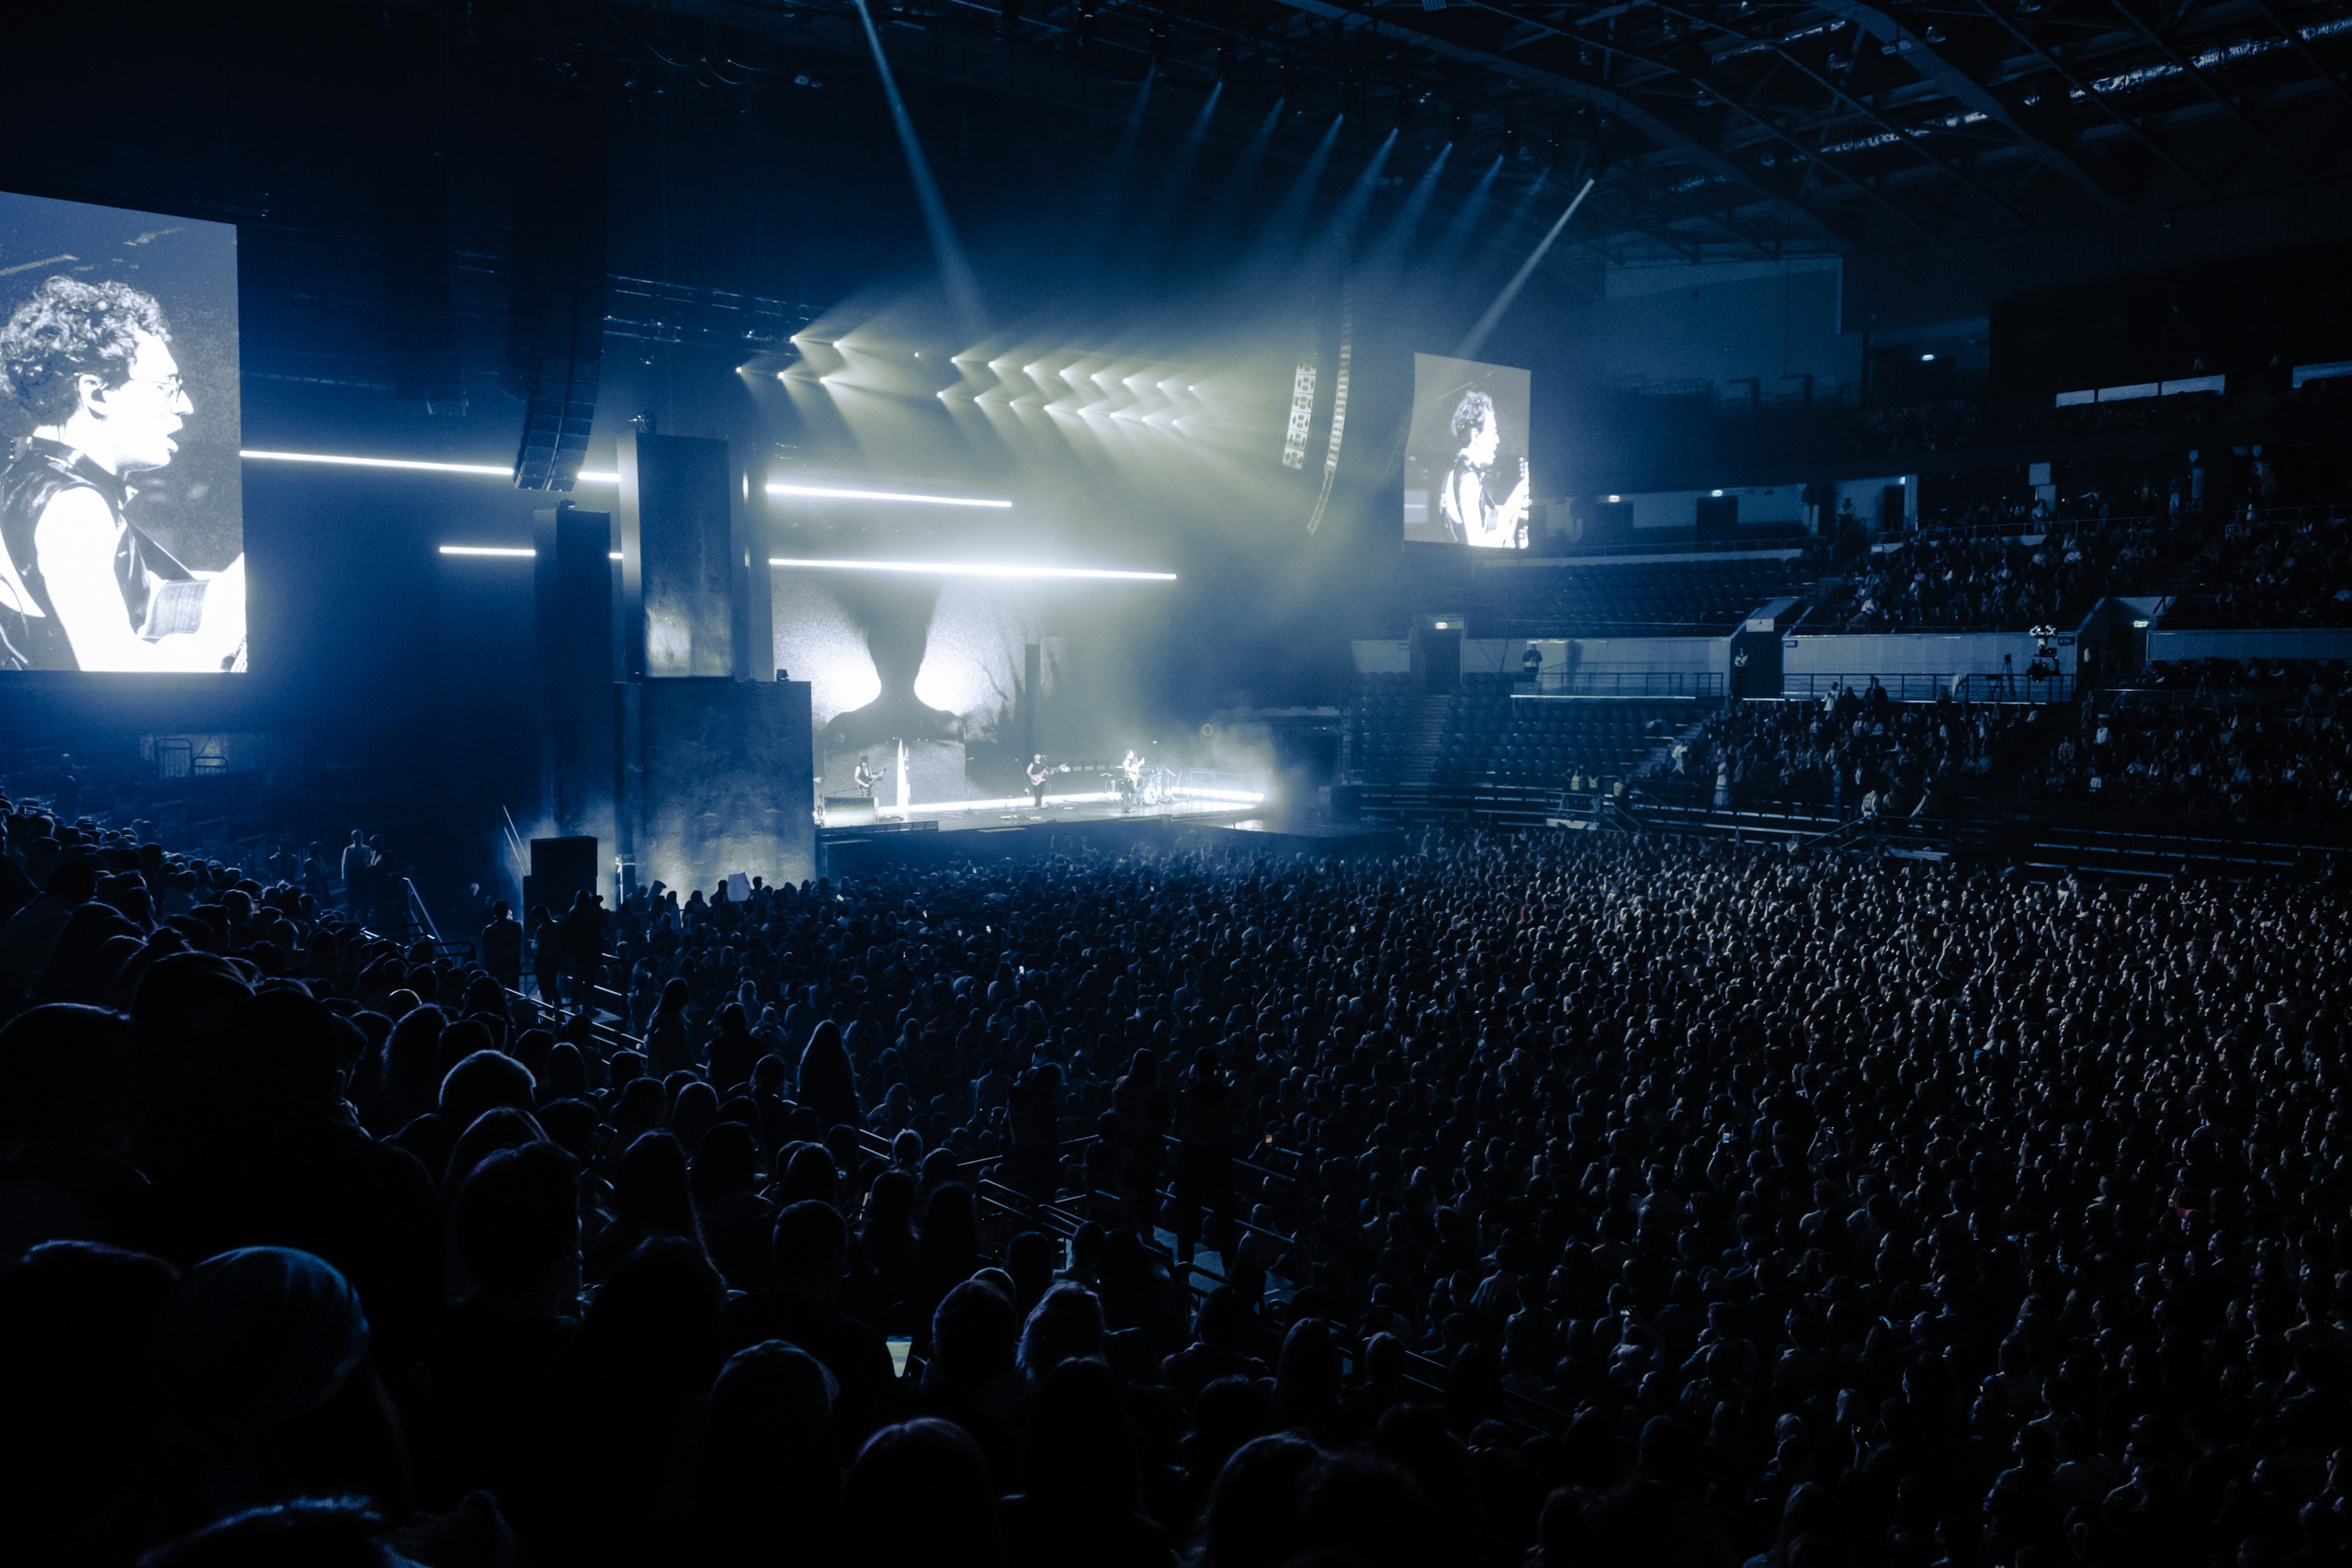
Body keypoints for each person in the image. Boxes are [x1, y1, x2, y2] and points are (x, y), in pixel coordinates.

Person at [0, 275, 244, 671]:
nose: (187, 407)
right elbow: (117, 674)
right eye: (169, 386)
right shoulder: (74, 507)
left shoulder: (28, 477)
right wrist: (220, 633)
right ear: (97, 393)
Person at [1438, 388, 1528, 549]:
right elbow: (1478, 546)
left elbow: (1492, 517)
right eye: (1493, 433)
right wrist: (1503, 533)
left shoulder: (1454, 471)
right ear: (1476, 436)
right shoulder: (1469, 480)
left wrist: (1519, 493)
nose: (1498, 440)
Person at [480, 901, 524, 993]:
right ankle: (515, 1007)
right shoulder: (516, 926)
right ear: (507, 911)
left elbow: (485, 949)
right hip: (511, 961)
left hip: (495, 963)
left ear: (494, 912)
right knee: (514, 991)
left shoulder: (489, 929)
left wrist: (484, 965)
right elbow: (518, 945)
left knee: (497, 991)